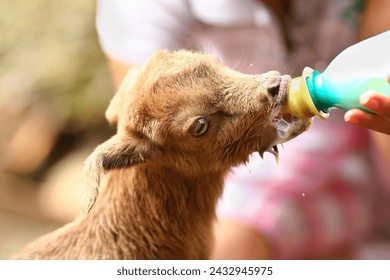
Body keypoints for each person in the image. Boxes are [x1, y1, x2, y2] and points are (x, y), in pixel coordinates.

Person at [96, 0, 390, 259]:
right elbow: (157, 150)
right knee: (225, 249)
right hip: (256, 153)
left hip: (364, 131)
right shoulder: (140, 7)